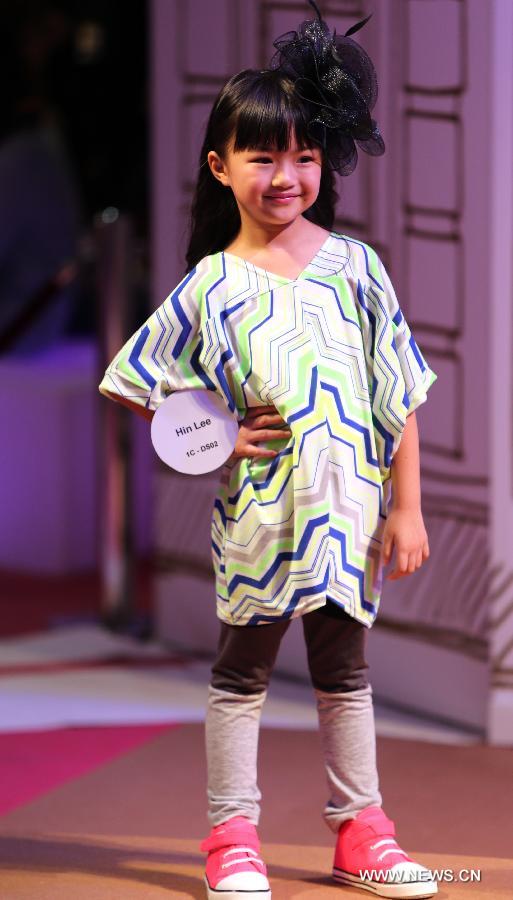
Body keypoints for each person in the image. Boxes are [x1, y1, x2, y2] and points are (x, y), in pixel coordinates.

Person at [98, 2, 438, 897]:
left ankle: (361, 831)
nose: (285, 175)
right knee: (240, 672)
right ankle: (230, 838)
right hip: (257, 517)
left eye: (304, 155)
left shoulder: (357, 269)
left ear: (324, 164)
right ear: (221, 165)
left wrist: (405, 507)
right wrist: (210, 438)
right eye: (262, 155)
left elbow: (398, 392)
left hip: (346, 513)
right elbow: (140, 382)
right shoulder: (209, 283)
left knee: (344, 670)